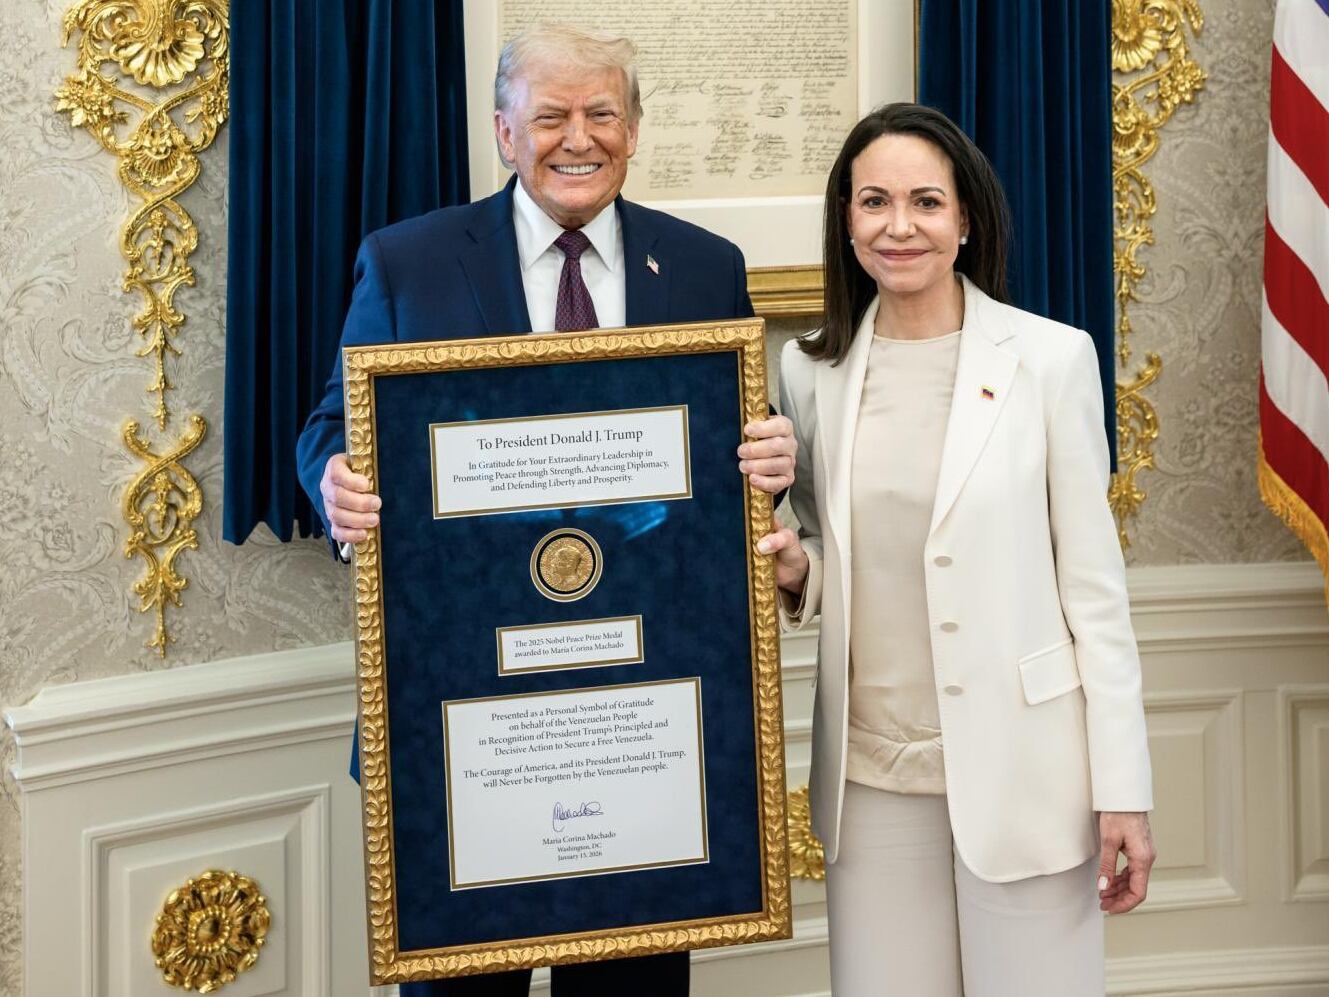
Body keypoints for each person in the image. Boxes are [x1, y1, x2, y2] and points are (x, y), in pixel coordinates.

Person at [295, 24, 795, 997]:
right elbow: (332, 426)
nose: (579, 138)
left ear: (633, 129)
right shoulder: (408, 262)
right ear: (504, 132)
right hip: (463, 708)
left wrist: (768, 458)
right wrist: (334, 482)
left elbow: (730, 448)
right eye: (552, 115)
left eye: (602, 113)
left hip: (645, 706)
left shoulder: (703, 265)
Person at [757, 103, 1155, 995]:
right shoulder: (808, 372)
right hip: (869, 778)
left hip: (1026, 769)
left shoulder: (1050, 360)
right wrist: (796, 569)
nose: (898, 226)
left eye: (925, 202)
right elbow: (823, 541)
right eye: (873, 202)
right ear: (845, 219)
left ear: (965, 219)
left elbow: (1094, 593)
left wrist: (1123, 787)